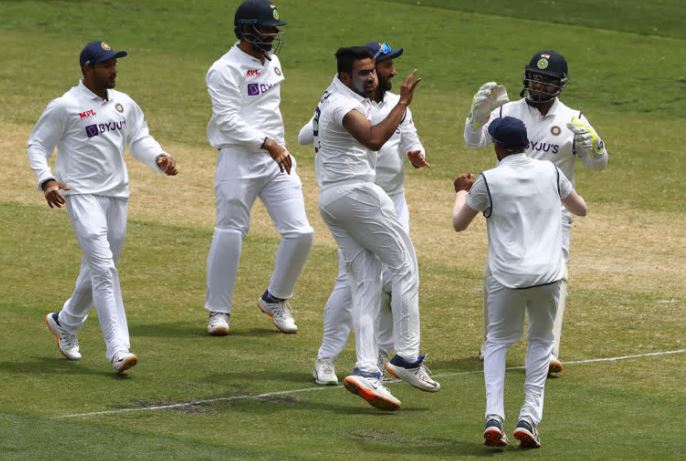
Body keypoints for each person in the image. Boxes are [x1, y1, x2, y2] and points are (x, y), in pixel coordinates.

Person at [28, 40, 178, 374]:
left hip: (117, 196)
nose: (114, 70)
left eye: (115, 64)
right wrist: (47, 180)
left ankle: (65, 322)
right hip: (81, 196)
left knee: (98, 267)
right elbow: (37, 144)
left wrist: (158, 157)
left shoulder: (124, 104)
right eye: (107, 65)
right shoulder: (65, 106)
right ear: (88, 68)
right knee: (105, 268)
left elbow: (139, 138)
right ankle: (118, 349)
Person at [463, 50, 608, 374]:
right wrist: (475, 118)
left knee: (556, 272)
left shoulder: (573, 119)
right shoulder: (506, 110)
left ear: (560, 85)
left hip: (554, 211)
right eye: (534, 77)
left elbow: (597, 165)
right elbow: (473, 142)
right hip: (509, 207)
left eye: (546, 80)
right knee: (495, 272)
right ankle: (492, 341)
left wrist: (596, 146)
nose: (538, 85)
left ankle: (548, 349)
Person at [313, 46, 439, 411]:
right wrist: (402, 104)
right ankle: (407, 357)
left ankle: (367, 370)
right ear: (344, 76)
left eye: (372, 71)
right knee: (404, 265)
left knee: (366, 281)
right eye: (363, 73)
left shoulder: (339, 95)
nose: (371, 78)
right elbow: (373, 139)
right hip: (357, 194)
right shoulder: (341, 104)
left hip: (334, 198)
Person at [453, 116, 587, 448]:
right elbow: (580, 209)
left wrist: (461, 192)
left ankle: (494, 418)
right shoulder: (551, 172)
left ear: (497, 146)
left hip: (507, 278)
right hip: (549, 276)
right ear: (526, 142)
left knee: (498, 343)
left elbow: (459, 223)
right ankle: (528, 419)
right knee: (541, 343)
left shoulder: (488, 180)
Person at [204, 0, 313, 335]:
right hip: (239, 157)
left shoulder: (273, 61)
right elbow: (227, 121)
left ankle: (275, 299)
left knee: (301, 233)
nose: (272, 34)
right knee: (230, 231)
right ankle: (218, 312)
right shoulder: (223, 69)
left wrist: (275, 146)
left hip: (276, 159)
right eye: (266, 28)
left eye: (274, 29)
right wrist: (268, 142)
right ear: (245, 30)